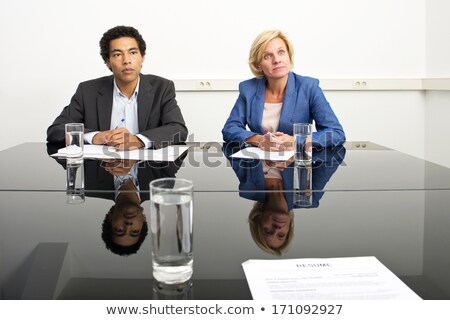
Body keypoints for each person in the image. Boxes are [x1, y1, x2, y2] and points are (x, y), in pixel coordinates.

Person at [47, 25, 188, 150]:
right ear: (107, 61)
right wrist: (94, 136)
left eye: (133, 52)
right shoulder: (88, 90)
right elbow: (56, 131)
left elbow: (178, 129)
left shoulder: (162, 88)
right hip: (101, 172)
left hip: (147, 172)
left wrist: (138, 140)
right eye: (117, 54)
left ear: (142, 57)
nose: (126, 60)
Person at [222, 30, 345, 151]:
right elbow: (230, 129)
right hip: (259, 166)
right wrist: (259, 140)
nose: (276, 60)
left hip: (295, 166)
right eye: (267, 56)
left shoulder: (308, 87)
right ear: (258, 65)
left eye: (281, 52)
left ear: (289, 57)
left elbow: (336, 133)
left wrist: (297, 141)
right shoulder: (248, 89)